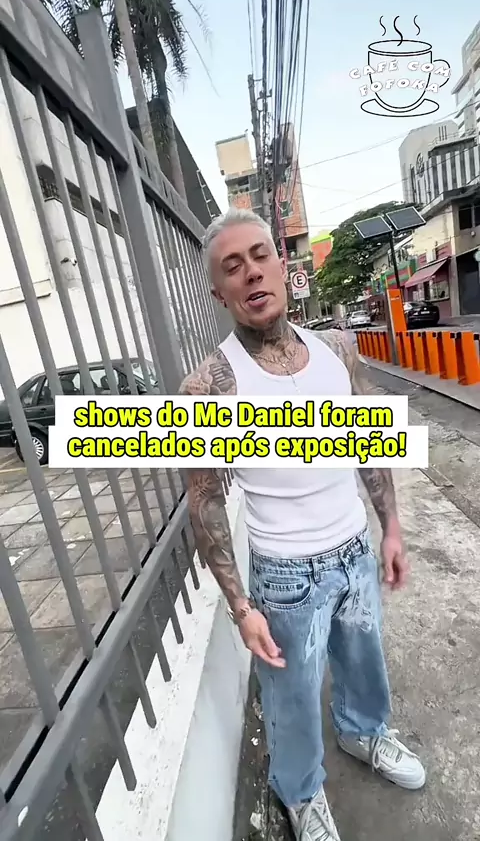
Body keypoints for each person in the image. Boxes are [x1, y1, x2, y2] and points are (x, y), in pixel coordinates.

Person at [180, 208, 425, 841]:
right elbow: (204, 505)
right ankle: (300, 791)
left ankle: (364, 733)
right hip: (286, 574)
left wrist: (391, 528)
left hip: (354, 549)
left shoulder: (337, 349)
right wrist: (241, 607)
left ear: (282, 264)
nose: (251, 273)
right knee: (290, 699)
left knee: (365, 662)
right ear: (220, 293)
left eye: (260, 255)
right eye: (233, 267)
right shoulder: (209, 386)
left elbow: (370, 442)